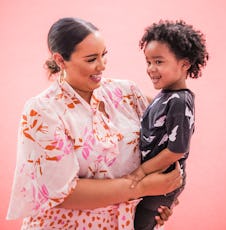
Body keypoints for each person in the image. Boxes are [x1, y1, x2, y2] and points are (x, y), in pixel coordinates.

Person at [6, 17, 182, 230]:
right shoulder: (43, 111)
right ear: (60, 60)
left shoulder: (126, 93)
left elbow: (165, 138)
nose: (101, 66)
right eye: (91, 59)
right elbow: (62, 193)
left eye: (104, 55)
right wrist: (141, 188)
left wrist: (159, 203)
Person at [123, 20, 208, 230]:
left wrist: (141, 172)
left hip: (163, 178)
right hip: (155, 178)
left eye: (158, 62)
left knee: (140, 225)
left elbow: (177, 150)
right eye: (148, 62)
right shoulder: (165, 96)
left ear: (185, 64)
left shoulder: (180, 100)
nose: (151, 69)